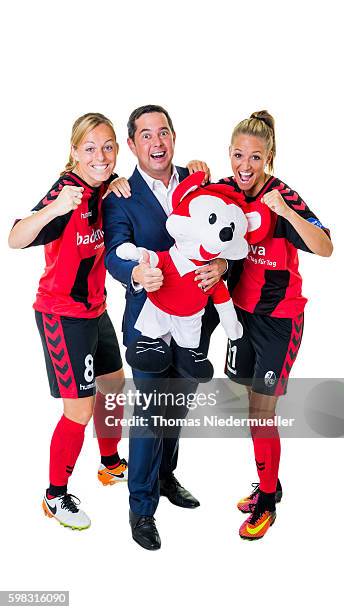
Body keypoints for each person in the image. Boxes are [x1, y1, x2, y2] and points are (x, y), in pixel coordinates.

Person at [103, 104, 227, 550]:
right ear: (133, 144)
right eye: (146, 135)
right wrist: (135, 274)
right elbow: (115, 251)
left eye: (164, 133)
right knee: (151, 415)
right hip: (149, 326)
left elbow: (226, 235)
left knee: (176, 409)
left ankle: (166, 477)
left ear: (174, 136)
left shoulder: (201, 183)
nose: (157, 143)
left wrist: (221, 265)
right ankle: (140, 508)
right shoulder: (120, 195)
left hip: (195, 323)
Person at [8, 113, 130, 530]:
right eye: (91, 148)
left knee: (113, 385)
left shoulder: (106, 188)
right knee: (78, 409)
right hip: (62, 314)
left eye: (108, 146)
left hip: (96, 310)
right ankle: (55, 495)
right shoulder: (67, 192)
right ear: (75, 152)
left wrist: (115, 185)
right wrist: (54, 208)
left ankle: (111, 463)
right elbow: (16, 237)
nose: (101, 156)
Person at [220, 110, 333, 540]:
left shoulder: (280, 194)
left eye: (254, 157)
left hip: (280, 320)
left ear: (269, 157)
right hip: (241, 316)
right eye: (237, 156)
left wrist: (285, 210)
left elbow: (325, 247)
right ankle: (271, 484)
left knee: (262, 414)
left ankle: (267, 501)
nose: (244, 166)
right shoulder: (228, 191)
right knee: (251, 410)